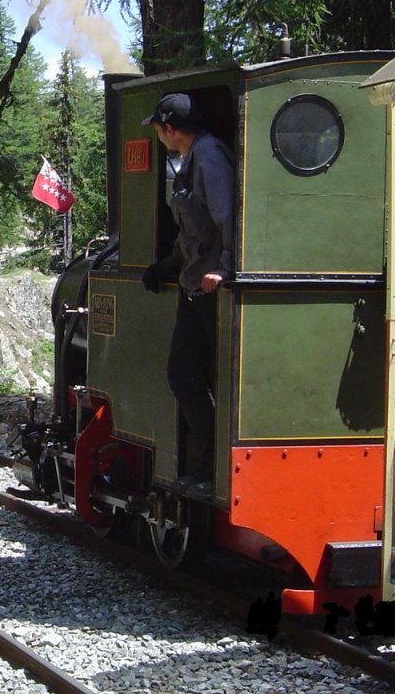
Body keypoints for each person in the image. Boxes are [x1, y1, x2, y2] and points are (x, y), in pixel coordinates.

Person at [139, 92, 234, 495]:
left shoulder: (209, 158)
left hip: (211, 289)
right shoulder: (190, 159)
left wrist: (225, 268)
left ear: (169, 129)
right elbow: (192, 230)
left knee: (194, 377)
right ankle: (206, 463)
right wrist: (166, 265)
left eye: (157, 129)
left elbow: (227, 216)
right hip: (193, 285)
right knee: (184, 376)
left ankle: (214, 465)